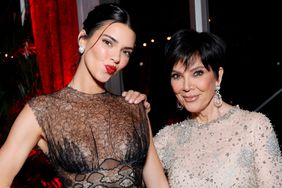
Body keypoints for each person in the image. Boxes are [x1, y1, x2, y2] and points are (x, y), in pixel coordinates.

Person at [0, 3, 169, 188]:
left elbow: (158, 183)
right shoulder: (43, 111)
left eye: (126, 51)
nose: (117, 58)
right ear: (82, 39)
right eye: (108, 42)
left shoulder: (134, 108)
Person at [152, 29, 282, 187]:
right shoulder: (167, 138)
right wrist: (135, 112)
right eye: (177, 76)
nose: (186, 86)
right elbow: (122, 176)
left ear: (218, 76)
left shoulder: (254, 127)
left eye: (197, 73)